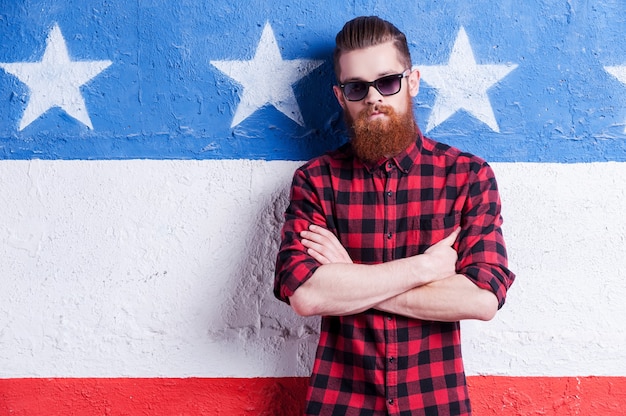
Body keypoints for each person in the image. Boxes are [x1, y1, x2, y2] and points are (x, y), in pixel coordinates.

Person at [274, 16, 515, 416]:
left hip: (435, 404)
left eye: (387, 82)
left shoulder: (468, 176)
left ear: (412, 81)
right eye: (356, 87)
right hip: (340, 405)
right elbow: (306, 294)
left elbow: (481, 299)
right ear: (340, 97)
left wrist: (351, 275)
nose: (373, 98)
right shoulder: (315, 182)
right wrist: (427, 267)